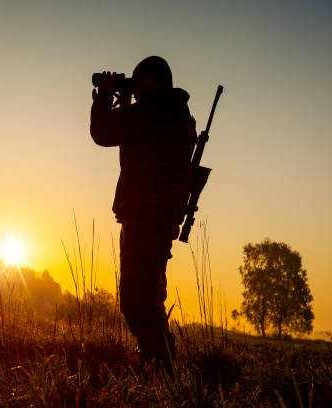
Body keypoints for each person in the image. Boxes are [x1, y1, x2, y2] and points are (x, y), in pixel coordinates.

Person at [90, 56, 196, 369]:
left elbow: (103, 133)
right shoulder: (174, 113)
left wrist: (107, 96)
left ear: (155, 81)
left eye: (141, 80)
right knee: (148, 297)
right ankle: (160, 366)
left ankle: (159, 367)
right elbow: (137, 137)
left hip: (145, 217)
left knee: (138, 300)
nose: (136, 88)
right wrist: (125, 102)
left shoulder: (151, 112)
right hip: (158, 218)